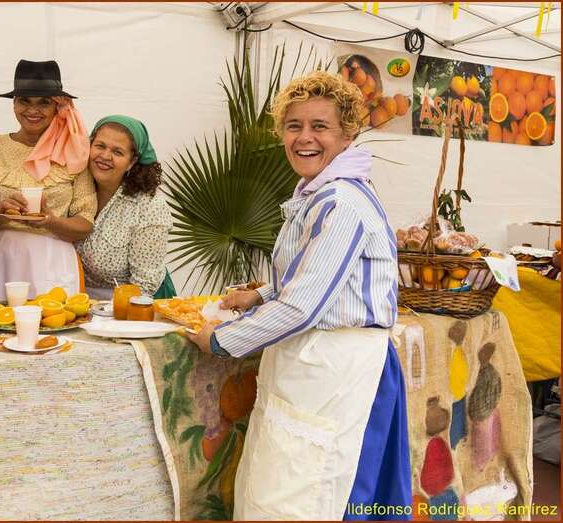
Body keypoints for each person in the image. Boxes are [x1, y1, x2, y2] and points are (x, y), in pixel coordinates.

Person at [188, 71, 411, 520]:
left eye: (319, 126)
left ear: (347, 134)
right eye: (294, 126)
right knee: (283, 487)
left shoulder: (341, 203)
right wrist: (261, 295)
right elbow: (320, 277)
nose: (304, 138)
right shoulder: (319, 194)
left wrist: (218, 339)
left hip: (336, 370)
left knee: (307, 497)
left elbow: (303, 305)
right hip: (315, 366)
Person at [0, 59, 96, 309]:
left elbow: (85, 223)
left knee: (54, 330)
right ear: (14, 104)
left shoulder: (74, 153)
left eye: (44, 102)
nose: (33, 110)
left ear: (58, 107)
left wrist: (51, 220)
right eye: (25, 100)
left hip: (52, 262)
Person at [75, 115, 175, 300]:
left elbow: (144, 284)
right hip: (80, 302)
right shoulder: (71, 188)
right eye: (100, 146)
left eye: (118, 152)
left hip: (137, 304)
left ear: (131, 162)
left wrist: (106, 316)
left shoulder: (149, 206)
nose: (105, 156)